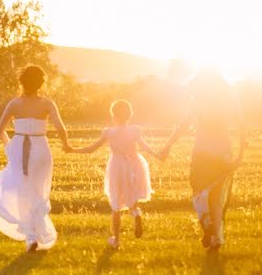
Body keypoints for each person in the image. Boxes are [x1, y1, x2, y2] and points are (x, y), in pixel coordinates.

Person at [0, 65, 70, 252]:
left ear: (22, 82)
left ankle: (31, 236)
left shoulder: (14, 104)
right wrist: (66, 145)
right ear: (41, 83)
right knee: (38, 191)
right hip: (40, 149)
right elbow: (61, 129)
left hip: (18, 147)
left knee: (22, 190)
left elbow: (0, 131)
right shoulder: (47, 104)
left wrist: (11, 147)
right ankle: (35, 232)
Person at [159, 69, 246, 251]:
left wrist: (168, 145)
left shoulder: (198, 101)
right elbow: (241, 126)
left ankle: (207, 225)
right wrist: (240, 155)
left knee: (198, 193)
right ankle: (217, 239)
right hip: (224, 154)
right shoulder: (229, 101)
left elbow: (183, 126)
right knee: (215, 198)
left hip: (203, 154)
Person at [66, 100, 157, 249]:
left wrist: (73, 149)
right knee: (132, 196)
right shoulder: (134, 131)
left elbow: (91, 149)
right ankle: (136, 213)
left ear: (113, 115)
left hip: (117, 166)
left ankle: (116, 240)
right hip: (134, 165)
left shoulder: (109, 132)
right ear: (130, 115)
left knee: (116, 206)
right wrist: (157, 154)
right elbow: (144, 146)